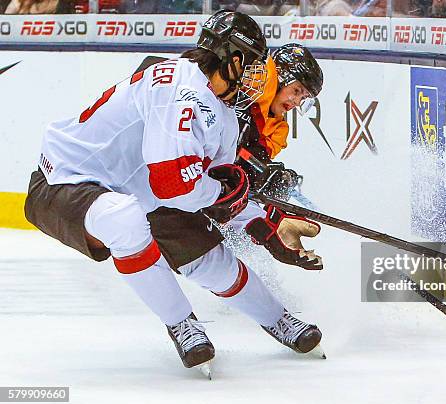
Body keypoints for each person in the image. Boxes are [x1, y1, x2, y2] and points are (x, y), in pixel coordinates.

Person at [24, 10, 324, 375]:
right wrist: (226, 193)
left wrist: (268, 227)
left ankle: (279, 320)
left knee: (210, 261)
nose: (258, 80)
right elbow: (175, 185)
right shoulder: (178, 87)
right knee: (124, 220)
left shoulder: (226, 118)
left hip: (141, 191)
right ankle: (182, 322)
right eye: (254, 67)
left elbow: (218, 191)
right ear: (233, 60)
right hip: (67, 180)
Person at [236, 43, 324, 201]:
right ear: (280, 78)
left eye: (303, 98)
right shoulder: (247, 88)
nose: (296, 102)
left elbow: (251, 163)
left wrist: (271, 176)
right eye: (296, 91)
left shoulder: (278, 130)